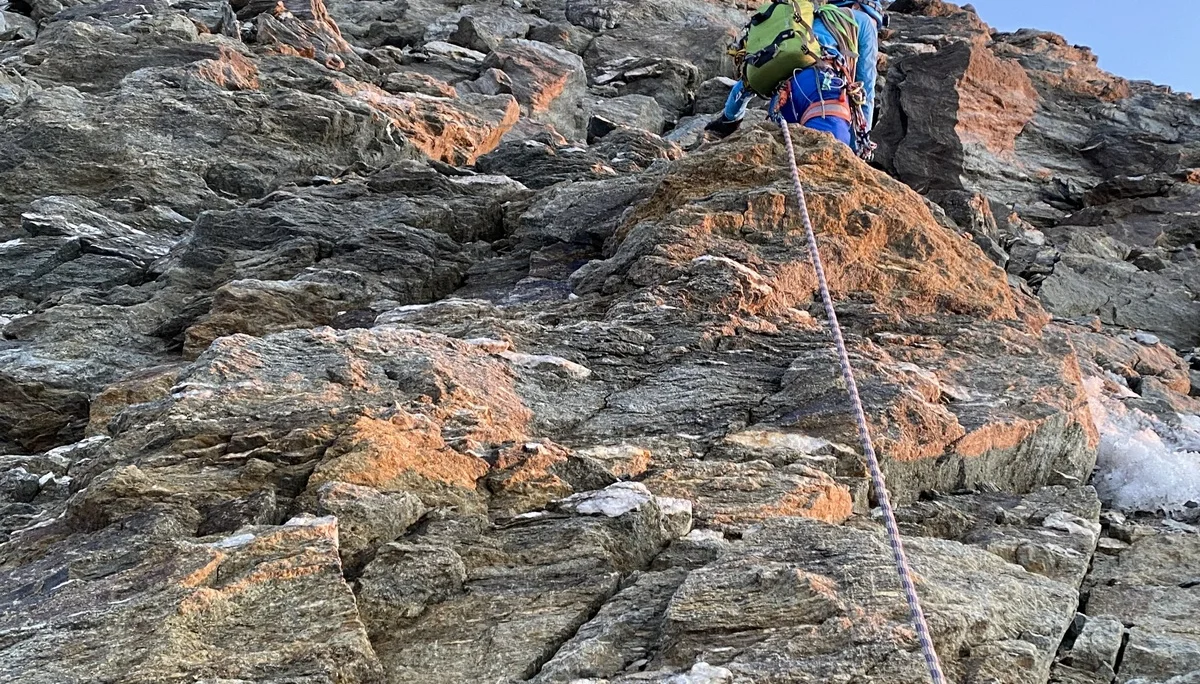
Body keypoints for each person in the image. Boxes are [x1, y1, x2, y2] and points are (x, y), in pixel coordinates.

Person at [706, 0, 885, 157]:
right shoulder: (861, 21)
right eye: (875, 21)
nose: (875, 28)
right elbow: (865, 91)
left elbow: (747, 83)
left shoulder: (799, 23)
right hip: (822, 92)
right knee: (828, 164)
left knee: (787, 170)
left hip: (783, 99)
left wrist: (728, 119)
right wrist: (858, 149)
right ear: (856, 5)